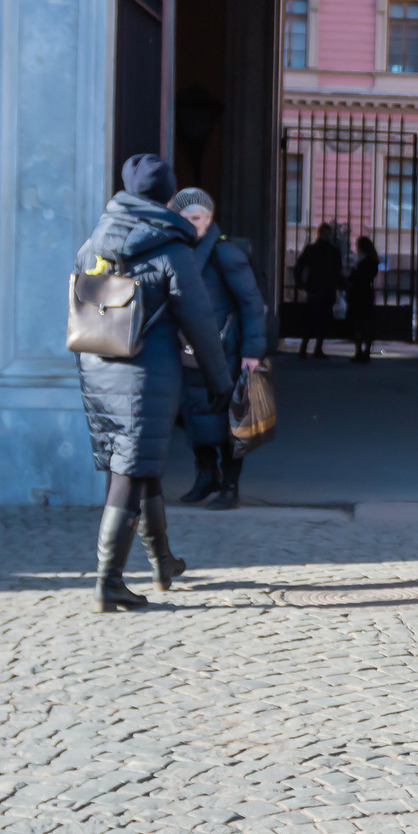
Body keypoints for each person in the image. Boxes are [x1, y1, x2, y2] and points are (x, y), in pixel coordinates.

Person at [74, 155, 235, 611]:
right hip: (145, 372)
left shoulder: (94, 241)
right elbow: (199, 321)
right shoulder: (170, 247)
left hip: (97, 366)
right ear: (167, 196)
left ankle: (163, 562)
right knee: (130, 472)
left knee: (136, 465)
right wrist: (219, 381)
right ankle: (108, 582)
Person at [171, 189, 266, 511]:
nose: (190, 224)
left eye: (196, 218)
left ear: (209, 218)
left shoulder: (225, 253)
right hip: (186, 352)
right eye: (183, 219)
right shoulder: (177, 251)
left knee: (229, 423)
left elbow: (251, 303)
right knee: (192, 416)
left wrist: (252, 351)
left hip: (224, 352)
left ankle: (229, 486)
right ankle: (206, 475)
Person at [292, 223, 343, 357]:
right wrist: (300, 283)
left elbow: (299, 267)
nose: (326, 236)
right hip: (320, 288)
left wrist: (300, 283)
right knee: (315, 319)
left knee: (319, 319)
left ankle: (313, 347)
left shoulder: (317, 250)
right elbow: (337, 271)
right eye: (325, 233)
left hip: (320, 288)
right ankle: (308, 347)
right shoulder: (330, 251)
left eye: (327, 233)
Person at [347, 233, 383, 362]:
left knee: (359, 325)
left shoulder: (364, 262)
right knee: (366, 324)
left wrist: (353, 271)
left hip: (358, 295)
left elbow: (356, 278)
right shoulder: (373, 261)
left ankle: (359, 352)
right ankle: (366, 351)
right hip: (366, 294)